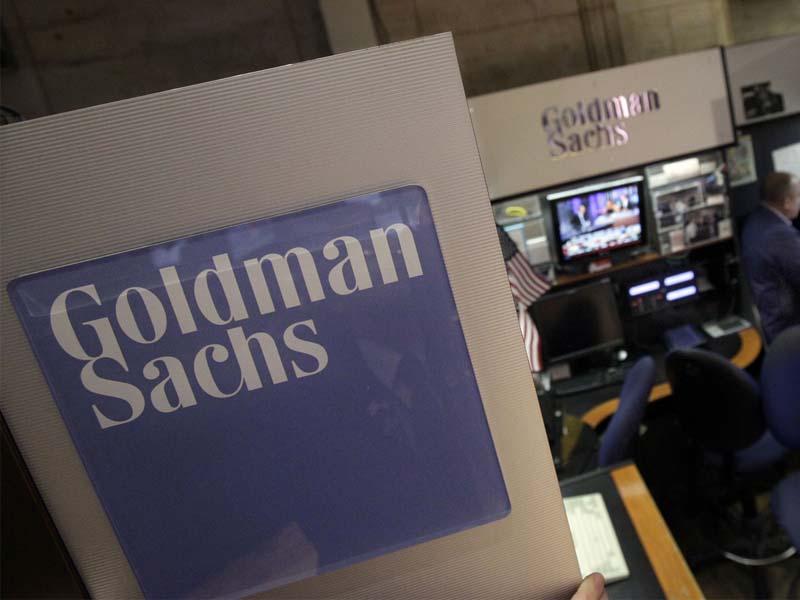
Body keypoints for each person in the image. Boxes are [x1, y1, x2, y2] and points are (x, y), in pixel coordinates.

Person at [741, 171, 800, 343]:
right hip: (789, 325)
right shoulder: (778, 234)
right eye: (798, 196)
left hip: (772, 320)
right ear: (787, 202)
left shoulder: (757, 220)